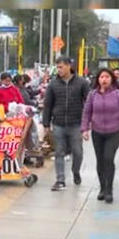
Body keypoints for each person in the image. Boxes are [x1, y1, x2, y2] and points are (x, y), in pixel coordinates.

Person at [81, 69, 119, 204]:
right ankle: (102, 188)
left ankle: (109, 190)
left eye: (106, 77)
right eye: (101, 77)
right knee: (100, 160)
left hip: (114, 131)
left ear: (111, 79)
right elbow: (86, 112)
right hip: (97, 131)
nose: (104, 79)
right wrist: (84, 129)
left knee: (108, 158)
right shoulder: (93, 95)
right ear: (98, 79)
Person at [42, 56, 90, 191]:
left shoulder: (82, 82)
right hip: (58, 123)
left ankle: (76, 171)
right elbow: (48, 104)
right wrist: (46, 123)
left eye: (61, 67)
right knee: (59, 152)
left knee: (78, 152)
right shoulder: (53, 84)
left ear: (69, 66)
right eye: (57, 67)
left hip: (76, 123)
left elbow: (90, 102)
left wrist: (88, 122)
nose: (59, 70)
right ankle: (60, 180)